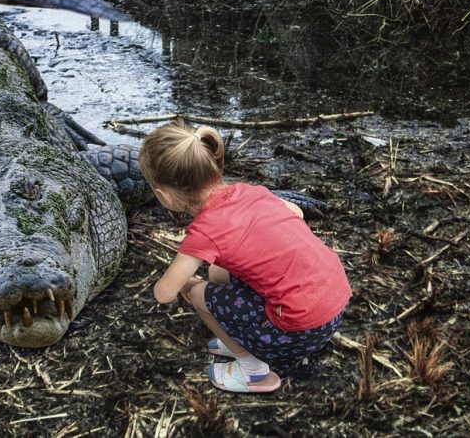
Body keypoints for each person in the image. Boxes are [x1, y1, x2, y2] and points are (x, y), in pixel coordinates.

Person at [139, 118, 351, 393]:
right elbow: (296, 212)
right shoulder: (251, 192)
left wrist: (182, 284)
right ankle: (241, 333)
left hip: (299, 332)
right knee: (218, 272)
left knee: (198, 293)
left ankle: (255, 373)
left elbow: (164, 294)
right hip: (334, 308)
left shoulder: (204, 233)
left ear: (164, 196)